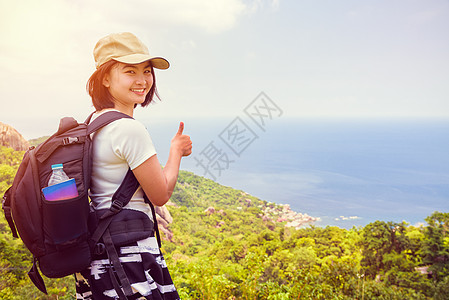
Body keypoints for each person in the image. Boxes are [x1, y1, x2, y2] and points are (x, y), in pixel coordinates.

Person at [75, 32, 191, 299]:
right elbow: (160, 194)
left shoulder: (94, 123)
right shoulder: (129, 129)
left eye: (147, 71)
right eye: (130, 71)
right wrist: (176, 152)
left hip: (101, 258)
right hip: (129, 260)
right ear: (105, 78)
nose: (142, 81)